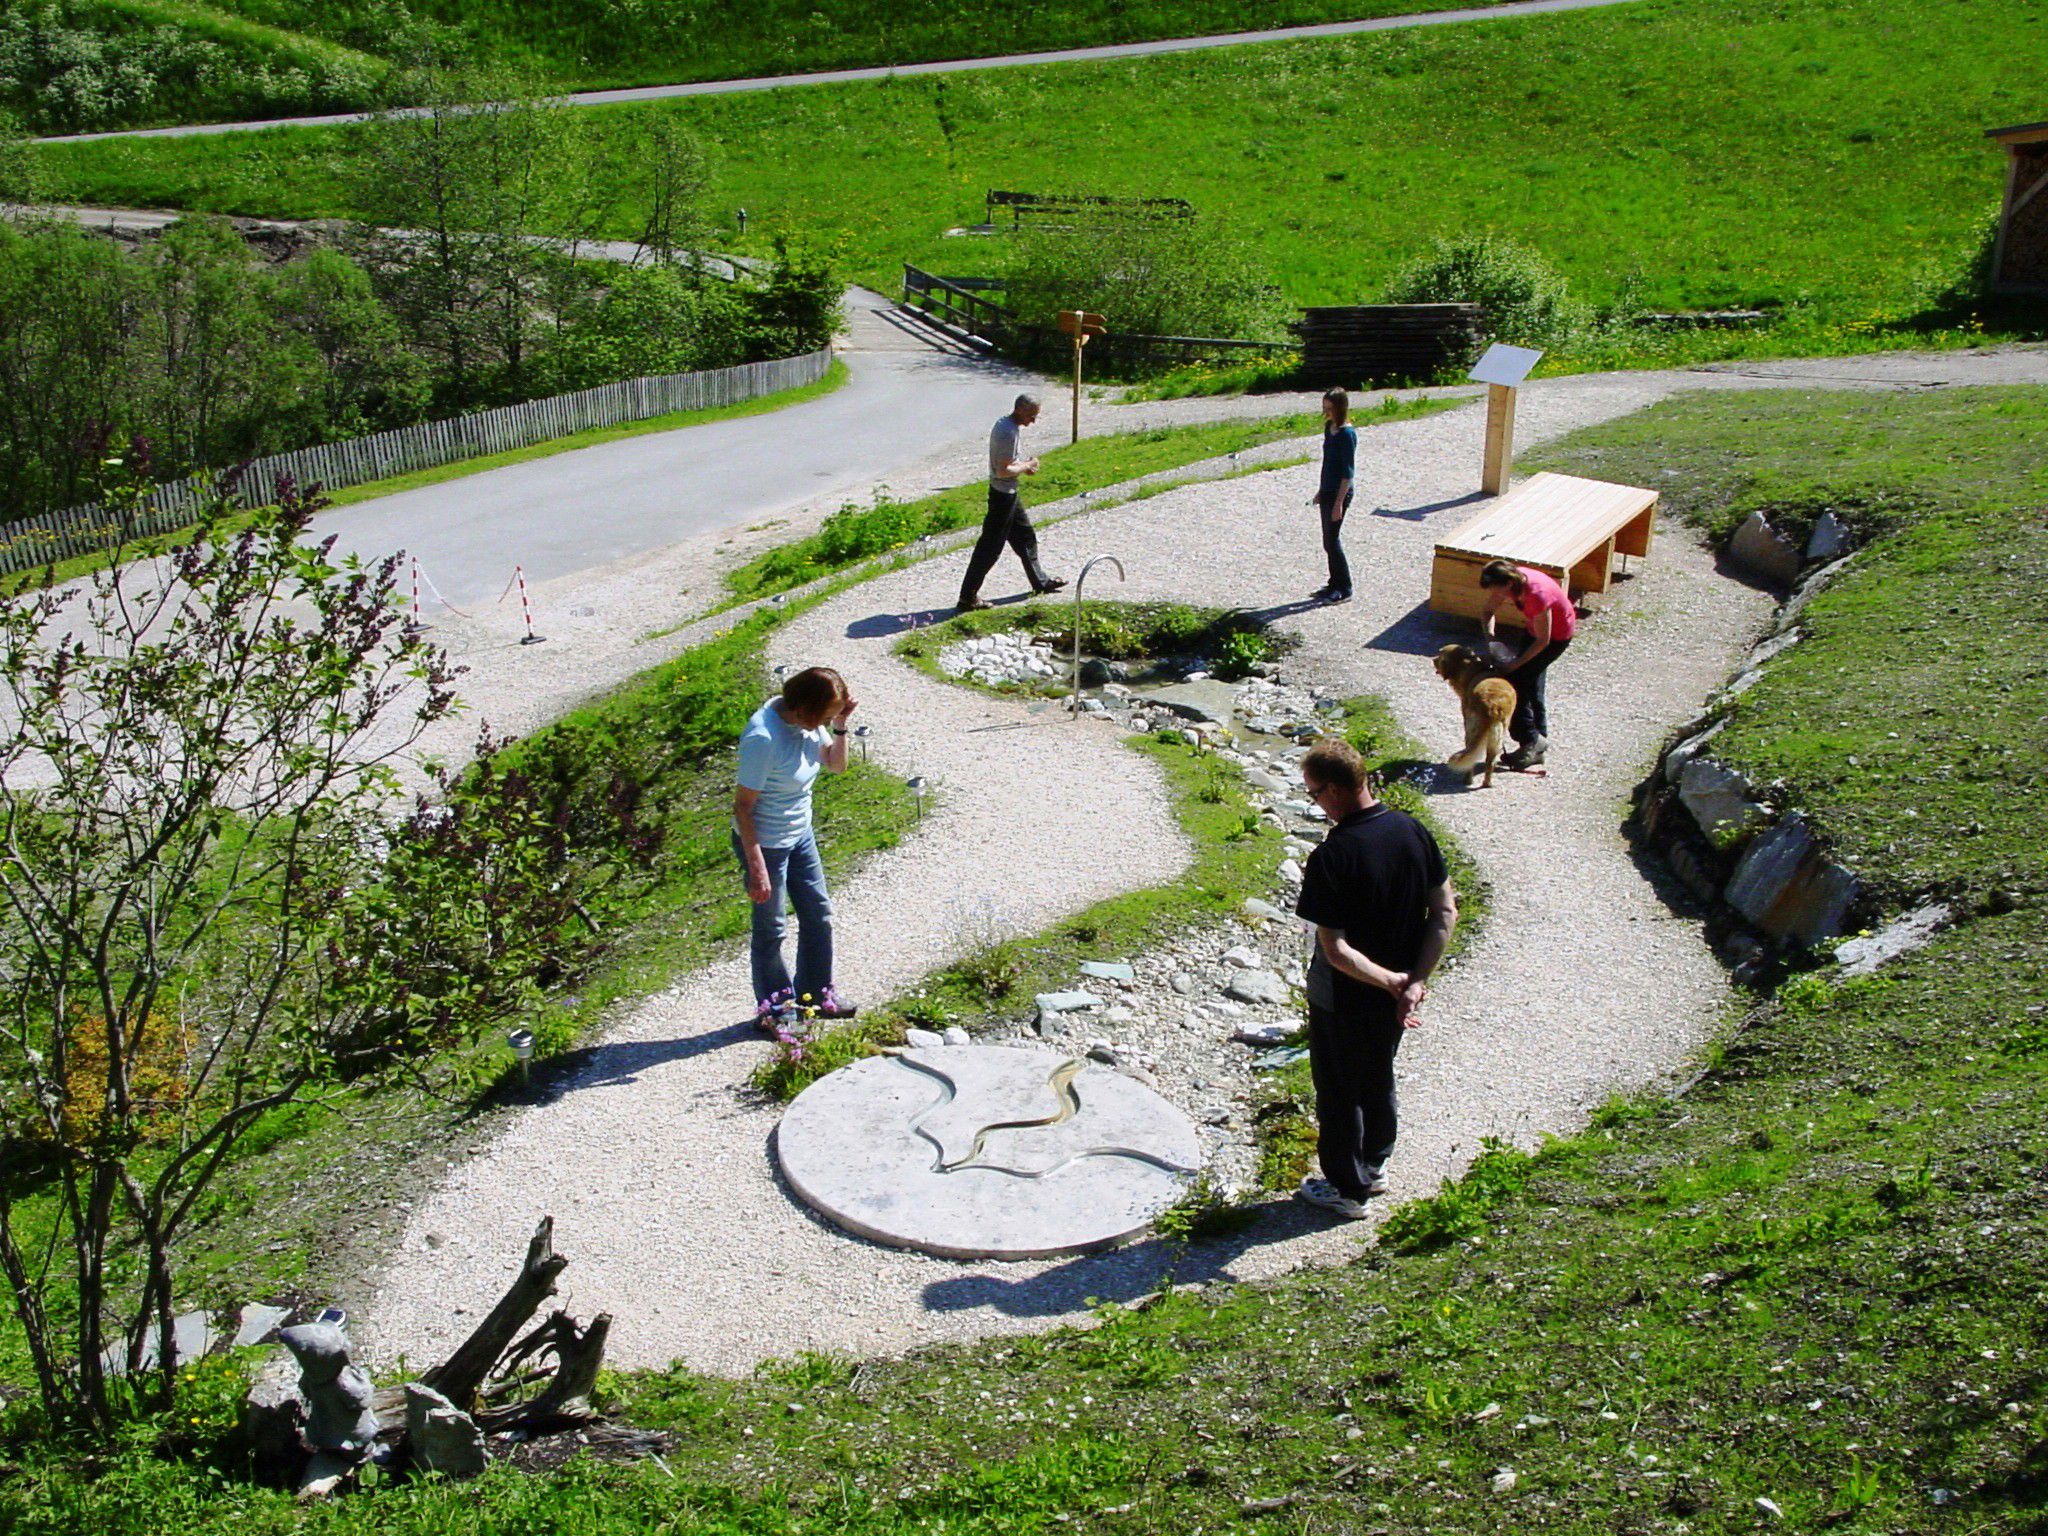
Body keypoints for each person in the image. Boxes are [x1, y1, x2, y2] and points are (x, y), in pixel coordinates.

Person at [1292, 738, 1458, 1219]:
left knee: (1339, 1090)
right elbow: (1445, 911)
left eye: (1314, 794)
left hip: (1343, 997)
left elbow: (1337, 951)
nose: (1316, 804)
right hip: (1396, 992)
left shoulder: (1333, 856)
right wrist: (1414, 983)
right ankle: (1375, 1164)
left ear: (1334, 790)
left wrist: (1389, 981)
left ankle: (1348, 1190)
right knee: (1377, 1074)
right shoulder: (1412, 831)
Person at [732, 666, 860, 1029]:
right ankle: (774, 1010)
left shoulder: (809, 720)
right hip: (765, 841)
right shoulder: (763, 738)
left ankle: (816, 997)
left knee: (818, 914)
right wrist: (756, 867)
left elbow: (836, 765)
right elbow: (742, 807)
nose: (826, 721)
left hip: (799, 833)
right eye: (825, 715)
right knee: (771, 928)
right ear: (804, 708)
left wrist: (840, 725)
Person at [956, 393, 1066, 612]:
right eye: (1032, 415)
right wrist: (1028, 465)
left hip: (1009, 493)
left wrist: (1023, 465)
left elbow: (1009, 464)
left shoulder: (1008, 425)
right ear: (1020, 410)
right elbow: (1003, 470)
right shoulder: (1007, 431)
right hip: (1002, 496)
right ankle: (967, 598)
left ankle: (1040, 582)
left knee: (1025, 537)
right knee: (990, 548)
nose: (1033, 421)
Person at [1477, 558, 1578, 770]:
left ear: (1508, 585)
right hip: (1535, 630)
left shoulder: (1536, 595)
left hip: (1556, 638)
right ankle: (1538, 741)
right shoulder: (1511, 579)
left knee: (1516, 683)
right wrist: (1492, 639)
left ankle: (1531, 741)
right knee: (1532, 684)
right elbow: (1487, 613)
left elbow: (1544, 641)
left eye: (1498, 591)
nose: (1496, 596)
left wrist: (1513, 666)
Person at [1308, 387, 1356, 603]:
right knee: (1327, 541)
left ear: (1340, 407)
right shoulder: (1330, 428)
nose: (1326, 412)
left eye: (1329, 408)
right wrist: (1320, 490)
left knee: (1332, 540)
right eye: (1324, 408)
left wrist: (1338, 503)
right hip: (1327, 490)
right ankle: (1333, 583)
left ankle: (1344, 588)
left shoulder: (1347, 434)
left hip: (1339, 494)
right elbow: (1328, 464)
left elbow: (1347, 473)